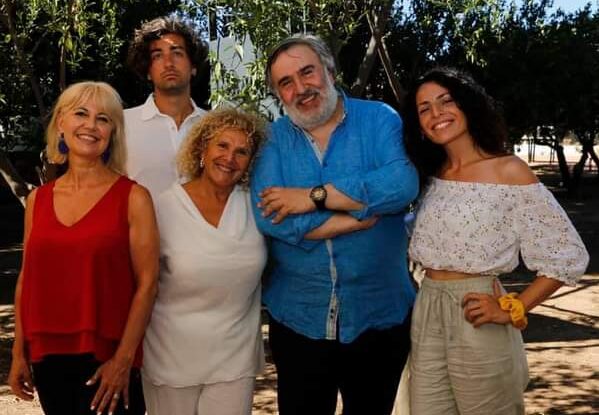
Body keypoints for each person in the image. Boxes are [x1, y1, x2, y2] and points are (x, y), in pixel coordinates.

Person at [403, 67, 589, 414]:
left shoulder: (508, 170)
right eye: (424, 108)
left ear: (468, 105)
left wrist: (515, 306)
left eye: (446, 101)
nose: (436, 113)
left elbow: (566, 254)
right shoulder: (430, 175)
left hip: (477, 310)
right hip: (427, 308)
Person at [250, 34, 419, 415]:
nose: (300, 88)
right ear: (278, 94)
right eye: (286, 82)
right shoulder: (272, 140)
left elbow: (401, 185)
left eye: (307, 72)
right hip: (299, 318)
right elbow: (269, 218)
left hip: (379, 316)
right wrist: (352, 220)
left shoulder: (379, 119)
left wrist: (312, 196)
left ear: (329, 69)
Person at [8, 81, 159, 415]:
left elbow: (148, 284)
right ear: (61, 122)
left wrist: (123, 360)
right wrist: (19, 352)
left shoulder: (134, 197)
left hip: (109, 362)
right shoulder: (38, 200)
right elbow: (27, 280)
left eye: (103, 119)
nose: (91, 125)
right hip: (47, 359)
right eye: (81, 113)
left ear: (112, 133)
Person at [141, 108, 267, 415]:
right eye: (222, 145)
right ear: (202, 149)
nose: (229, 158)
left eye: (242, 152)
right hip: (169, 355)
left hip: (235, 356)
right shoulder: (162, 208)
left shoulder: (257, 207)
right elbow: (141, 282)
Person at [125, 16, 209, 200]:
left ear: (193, 66)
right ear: (148, 71)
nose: (168, 63)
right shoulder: (122, 125)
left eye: (177, 53)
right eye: (157, 56)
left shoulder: (213, 128)